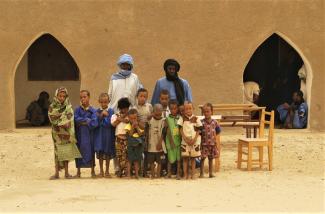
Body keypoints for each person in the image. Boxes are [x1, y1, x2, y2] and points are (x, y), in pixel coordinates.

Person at [48, 87, 81, 180]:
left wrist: (66, 123)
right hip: (56, 133)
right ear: (56, 96)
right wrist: (61, 123)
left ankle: (67, 173)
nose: (62, 98)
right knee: (57, 152)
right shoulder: (52, 107)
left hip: (66, 133)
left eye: (64, 96)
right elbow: (52, 117)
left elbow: (70, 117)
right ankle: (56, 174)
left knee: (66, 152)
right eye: (60, 96)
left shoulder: (68, 106)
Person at [74, 90, 98, 178]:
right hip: (79, 135)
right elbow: (76, 120)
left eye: (84, 97)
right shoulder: (77, 109)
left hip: (89, 135)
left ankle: (92, 171)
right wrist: (87, 120)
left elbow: (94, 123)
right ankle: (78, 172)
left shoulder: (93, 110)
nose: (82, 99)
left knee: (91, 151)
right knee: (79, 151)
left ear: (89, 97)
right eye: (81, 97)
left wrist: (83, 121)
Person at [178, 102, 202, 179]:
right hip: (185, 141)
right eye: (186, 109)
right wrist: (184, 138)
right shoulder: (182, 118)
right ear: (184, 110)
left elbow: (199, 130)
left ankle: (192, 174)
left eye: (190, 108)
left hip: (194, 141)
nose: (188, 110)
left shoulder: (196, 118)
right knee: (185, 158)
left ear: (193, 109)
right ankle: (185, 174)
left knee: (193, 158)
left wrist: (194, 139)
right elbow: (180, 129)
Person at [94, 93, 116, 178]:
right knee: (100, 153)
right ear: (99, 101)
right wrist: (101, 116)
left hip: (108, 135)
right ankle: (101, 171)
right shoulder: (96, 111)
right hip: (99, 136)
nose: (104, 104)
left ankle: (107, 171)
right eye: (102, 102)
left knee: (107, 153)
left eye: (105, 102)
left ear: (109, 102)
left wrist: (104, 117)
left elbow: (110, 123)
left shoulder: (111, 111)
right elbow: (95, 123)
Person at [133, 88, 153, 177]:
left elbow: (152, 116)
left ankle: (145, 171)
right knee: (138, 152)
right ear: (137, 97)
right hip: (138, 132)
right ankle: (138, 171)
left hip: (148, 132)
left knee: (147, 152)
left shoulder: (149, 106)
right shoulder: (134, 108)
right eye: (141, 96)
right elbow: (135, 120)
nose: (143, 98)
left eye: (145, 96)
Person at [200, 103, 221, 178]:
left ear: (212, 112)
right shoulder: (201, 122)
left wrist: (214, 140)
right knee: (202, 158)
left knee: (210, 159)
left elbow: (218, 131)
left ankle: (210, 173)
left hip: (212, 144)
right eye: (204, 112)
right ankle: (201, 173)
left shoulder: (215, 122)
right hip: (204, 144)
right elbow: (199, 133)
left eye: (208, 111)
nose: (206, 113)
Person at [111, 98, 131, 177]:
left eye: (126, 108)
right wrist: (121, 119)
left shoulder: (130, 116)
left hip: (127, 139)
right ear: (119, 108)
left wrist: (122, 119)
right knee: (119, 156)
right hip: (118, 139)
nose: (125, 110)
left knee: (127, 155)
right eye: (123, 109)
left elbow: (130, 122)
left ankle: (127, 171)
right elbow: (113, 124)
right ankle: (120, 170)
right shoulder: (115, 115)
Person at [164, 100, 182, 179]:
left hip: (178, 142)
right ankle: (169, 173)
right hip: (170, 142)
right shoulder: (167, 119)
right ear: (169, 109)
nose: (173, 110)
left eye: (175, 108)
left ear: (177, 108)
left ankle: (178, 173)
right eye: (171, 109)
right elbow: (167, 131)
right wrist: (171, 141)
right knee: (170, 159)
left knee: (178, 159)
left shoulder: (180, 118)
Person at [125, 109, 145, 179]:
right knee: (129, 160)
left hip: (138, 145)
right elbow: (130, 134)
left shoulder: (140, 125)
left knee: (137, 160)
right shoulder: (128, 125)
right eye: (131, 118)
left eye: (135, 118)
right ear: (128, 118)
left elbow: (140, 134)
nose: (133, 120)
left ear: (137, 118)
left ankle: (136, 174)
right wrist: (133, 127)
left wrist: (137, 127)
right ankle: (128, 174)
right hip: (130, 144)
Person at [147, 104, 165, 179]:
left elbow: (164, 132)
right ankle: (153, 175)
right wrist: (151, 115)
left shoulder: (164, 121)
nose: (158, 113)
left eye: (160, 111)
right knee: (151, 162)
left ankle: (158, 175)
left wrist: (160, 142)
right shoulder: (150, 120)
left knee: (160, 162)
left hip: (160, 145)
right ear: (153, 112)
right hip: (151, 145)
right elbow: (147, 119)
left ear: (162, 112)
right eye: (156, 111)